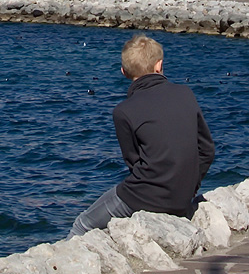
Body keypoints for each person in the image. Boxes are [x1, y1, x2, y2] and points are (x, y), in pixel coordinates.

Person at [71, 34, 215, 236]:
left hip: (145, 197)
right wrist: (190, 186)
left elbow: (134, 163)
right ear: (159, 65)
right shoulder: (185, 94)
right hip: (183, 196)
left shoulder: (123, 111)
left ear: (124, 72)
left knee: (82, 225)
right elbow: (207, 150)